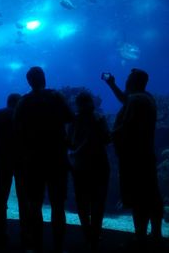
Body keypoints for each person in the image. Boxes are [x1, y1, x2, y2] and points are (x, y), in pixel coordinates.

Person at [13, 67, 74, 252]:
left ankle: (37, 246)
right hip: (56, 157)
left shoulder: (24, 101)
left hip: (33, 159)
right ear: (44, 79)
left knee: (34, 203)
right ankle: (58, 247)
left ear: (29, 82)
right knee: (57, 205)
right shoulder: (56, 97)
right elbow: (71, 118)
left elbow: (17, 128)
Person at [104, 69, 163, 245]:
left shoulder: (137, 100)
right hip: (144, 155)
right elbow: (125, 100)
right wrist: (111, 84)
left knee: (140, 197)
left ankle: (141, 236)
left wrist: (108, 136)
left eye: (129, 78)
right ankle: (155, 234)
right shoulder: (145, 97)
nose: (126, 80)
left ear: (134, 81)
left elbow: (126, 126)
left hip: (135, 158)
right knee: (151, 194)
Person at [67, 91, 110, 250]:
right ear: (91, 103)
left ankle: (87, 233)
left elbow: (69, 142)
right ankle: (96, 233)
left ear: (77, 104)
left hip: (79, 166)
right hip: (99, 165)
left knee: (82, 201)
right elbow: (107, 139)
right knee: (98, 201)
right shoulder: (99, 118)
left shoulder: (73, 121)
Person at [0, 93, 27, 237]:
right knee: (23, 195)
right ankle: (25, 226)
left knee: (1, 194)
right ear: (19, 102)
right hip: (21, 160)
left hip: (2, 159)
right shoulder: (23, 115)